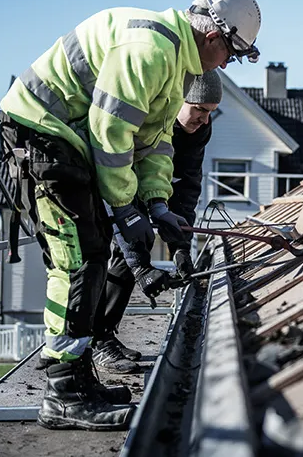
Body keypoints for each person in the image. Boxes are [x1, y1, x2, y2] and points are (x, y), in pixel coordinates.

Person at [0, 0, 261, 431]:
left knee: (94, 254)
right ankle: (63, 392)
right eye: (232, 55)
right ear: (215, 37)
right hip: (41, 134)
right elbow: (109, 134)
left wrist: (158, 206)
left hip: (65, 140)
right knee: (79, 260)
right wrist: (127, 210)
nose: (226, 64)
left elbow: (155, 142)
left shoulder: (175, 60)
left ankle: (78, 378)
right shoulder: (152, 49)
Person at [91, 70, 223, 373]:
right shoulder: (146, 116)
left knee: (130, 252)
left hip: (147, 181)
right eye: (199, 109)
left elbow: (187, 183)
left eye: (210, 113)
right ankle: (95, 343)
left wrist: (180, 245)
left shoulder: (199, 129)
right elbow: (118, 183)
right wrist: (140, 264)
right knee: (112, 251)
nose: (204, 119)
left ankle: (104, 337)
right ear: (178, 101)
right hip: (108, 175)